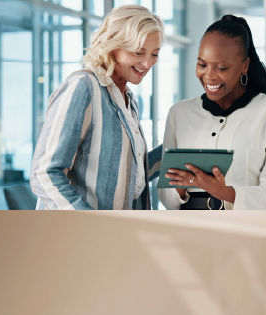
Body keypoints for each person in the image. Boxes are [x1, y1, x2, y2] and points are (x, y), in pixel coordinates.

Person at [31, 5, 165, 210]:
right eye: (139, 52)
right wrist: (88, 222)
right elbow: (45, 173)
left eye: (154, 54)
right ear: (113, 46)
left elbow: (131, 175)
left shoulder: (129, 100)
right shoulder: (83, 87)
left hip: (120, 232)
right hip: (83, 235)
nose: (147, 63)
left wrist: (174, 152)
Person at [159, 15, 266, 210]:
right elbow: (165, 195)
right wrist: (182, 185)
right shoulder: (179, 113)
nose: (209, 76)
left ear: (245, 66)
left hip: (241, 230)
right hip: (187, 228)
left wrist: (223, 192)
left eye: (222, 67)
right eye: (202, 64)